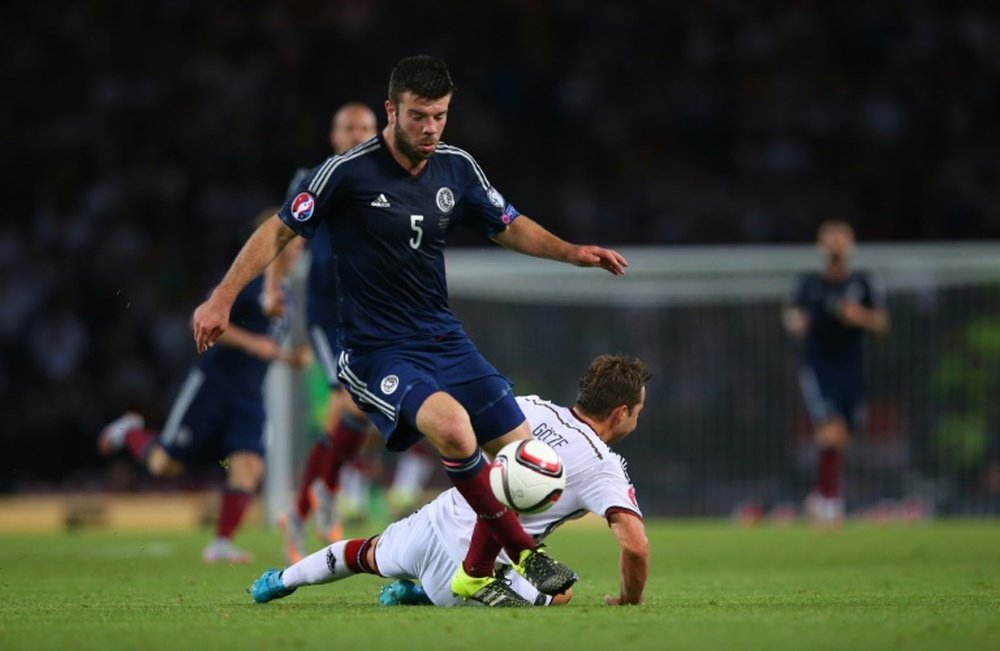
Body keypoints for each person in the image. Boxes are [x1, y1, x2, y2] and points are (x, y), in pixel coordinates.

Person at [191, 54, 628, 605]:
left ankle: (471, 572)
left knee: (534, 464)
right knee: (452, 428)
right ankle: (523, 556)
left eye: (440, 116)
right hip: (376, 350)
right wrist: (222, 297)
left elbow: (508, 226)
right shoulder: (347, 172)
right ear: (390, 111)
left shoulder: (457, 167)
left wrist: (573, 253)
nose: (430, 128)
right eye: (418, 116)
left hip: (444, 338)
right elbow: (277, 231)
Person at [249, 354, 650, 607]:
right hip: (472, 566)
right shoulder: (603, 464)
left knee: (365, 554)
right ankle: (429, 592)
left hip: (427, 524)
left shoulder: (527, 408)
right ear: (620, 413)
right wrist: (629, 600)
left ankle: (279, 581)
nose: (637, 418)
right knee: (562, 594)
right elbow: (634, 544)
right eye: (637, 411)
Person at [99, 208, 310, 563]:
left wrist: (290, 359)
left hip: (249, 395)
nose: (299, 250)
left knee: (249, 467)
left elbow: (266, 347)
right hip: (214, 385)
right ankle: (130, 431)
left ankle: (221, 543)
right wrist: (252, 344)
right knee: (165, 465)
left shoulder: (283, 298)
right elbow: (204, 318)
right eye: (294, 243)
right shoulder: (247, 283)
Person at [278, 102, 434, 562]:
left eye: (365, 127)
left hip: (375, 315)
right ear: (333, 135)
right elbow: (282, 235)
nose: (356, 134)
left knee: (356, 415)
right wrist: (274, 289)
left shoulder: (389, 177)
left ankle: (307, 502)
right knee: (348, 403)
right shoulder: (317, 178)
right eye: (348, 127)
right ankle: (319, 495)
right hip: (330, 314)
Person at [782, 220, 889, 526]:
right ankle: (830, 499)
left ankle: (819, 494)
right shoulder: (809, 283)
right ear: (821, 246)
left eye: (841, 240)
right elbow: (792, 314)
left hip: (851, 368)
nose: (836, 245)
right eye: (830, 240)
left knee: (843, 434)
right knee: (831, 428)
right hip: (819, 366)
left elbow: (882, 323)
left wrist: (860, 316)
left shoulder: (864, 282)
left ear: (851, 246)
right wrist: (797, 323)